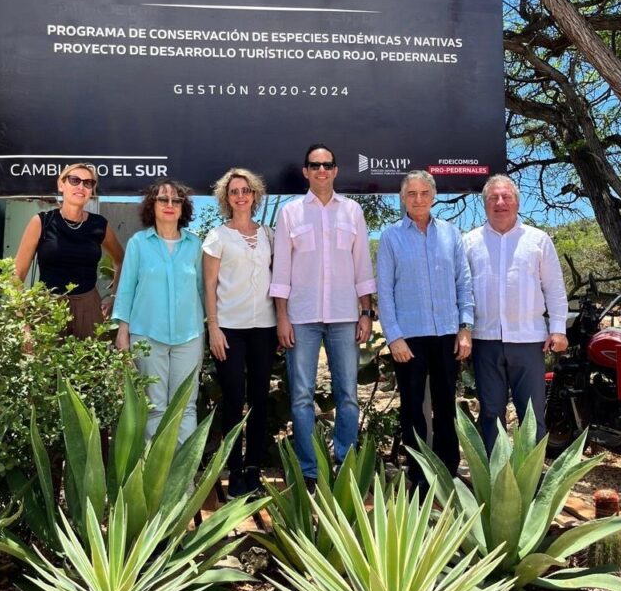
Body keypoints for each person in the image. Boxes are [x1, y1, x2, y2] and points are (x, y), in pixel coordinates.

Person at [269, 143, 375, 483]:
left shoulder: (353, 211)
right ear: (305, 171)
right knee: (301, 397)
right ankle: (308, 470)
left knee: (348, 395)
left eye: (327, 164)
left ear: (336, 170)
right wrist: (282, 317)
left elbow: (363, 267)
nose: (321, 170)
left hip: (345, 316)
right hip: (301, 318)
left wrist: (367, 312)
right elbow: (281, 271)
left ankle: (345, 467)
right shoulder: (290, 213)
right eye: (315, 165)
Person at [377, 170, 474, 482]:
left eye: (424, 193)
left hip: (447, 333)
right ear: (403, 198)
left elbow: (464, 283)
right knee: (413, 408)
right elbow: (385, 291)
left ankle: (447, 473)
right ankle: (417, 475)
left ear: (433, 197)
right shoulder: (391, 236)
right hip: (409, 338)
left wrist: (465, 327)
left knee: (446, 407)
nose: (418, 199)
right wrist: (394, 337)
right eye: (411, 194)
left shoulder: (451, 234)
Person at [464, 174, 568, 451]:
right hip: (485, 341)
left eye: (506, 196)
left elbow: (554, 287)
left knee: (532, 418)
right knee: (490, 415)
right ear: (484, 203)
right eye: (493, 198)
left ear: (517, 202)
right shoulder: (469, 241)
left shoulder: (538, 240)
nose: (500, 202)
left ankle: (532, 485)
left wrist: (558, 329)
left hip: (529, 341)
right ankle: (494, 482)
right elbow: (461, 291)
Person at [203, 168, 278, 497]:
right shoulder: (217, 237)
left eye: (246, 190)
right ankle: (234, 470)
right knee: (234, 400)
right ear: (226, 198)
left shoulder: (269, 235)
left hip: (264, 327)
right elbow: (208, 286)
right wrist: (214, 327)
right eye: (234, 191)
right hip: (229, 329)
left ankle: (253, 468)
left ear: (255, 195)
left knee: (260, 400)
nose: (241, 195)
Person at [113, 180, 203, 442]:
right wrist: (122, 331)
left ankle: (182, 480)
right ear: (152, 205)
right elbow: (127, 287)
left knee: (185, 407)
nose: (170, 205)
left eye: (176, 201)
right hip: (147, 335)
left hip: (189, 336)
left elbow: (201, 291)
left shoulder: (195, 245)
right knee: (154, 408)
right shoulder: (138, 243)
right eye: (163, 199)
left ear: (183, 208)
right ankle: (154, 477)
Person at [14, 162, 124, 339]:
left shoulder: (99, 225)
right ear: (61, 184)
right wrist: (23, 324)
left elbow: (121, 259)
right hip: (48, 308)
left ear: (91, 191)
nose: (81, 186)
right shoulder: (42, 222)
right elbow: (16, 276)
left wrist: (113, 296)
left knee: (91, 365)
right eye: (75, 180)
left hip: (89, 308)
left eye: (88, 183)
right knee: (46, 364)